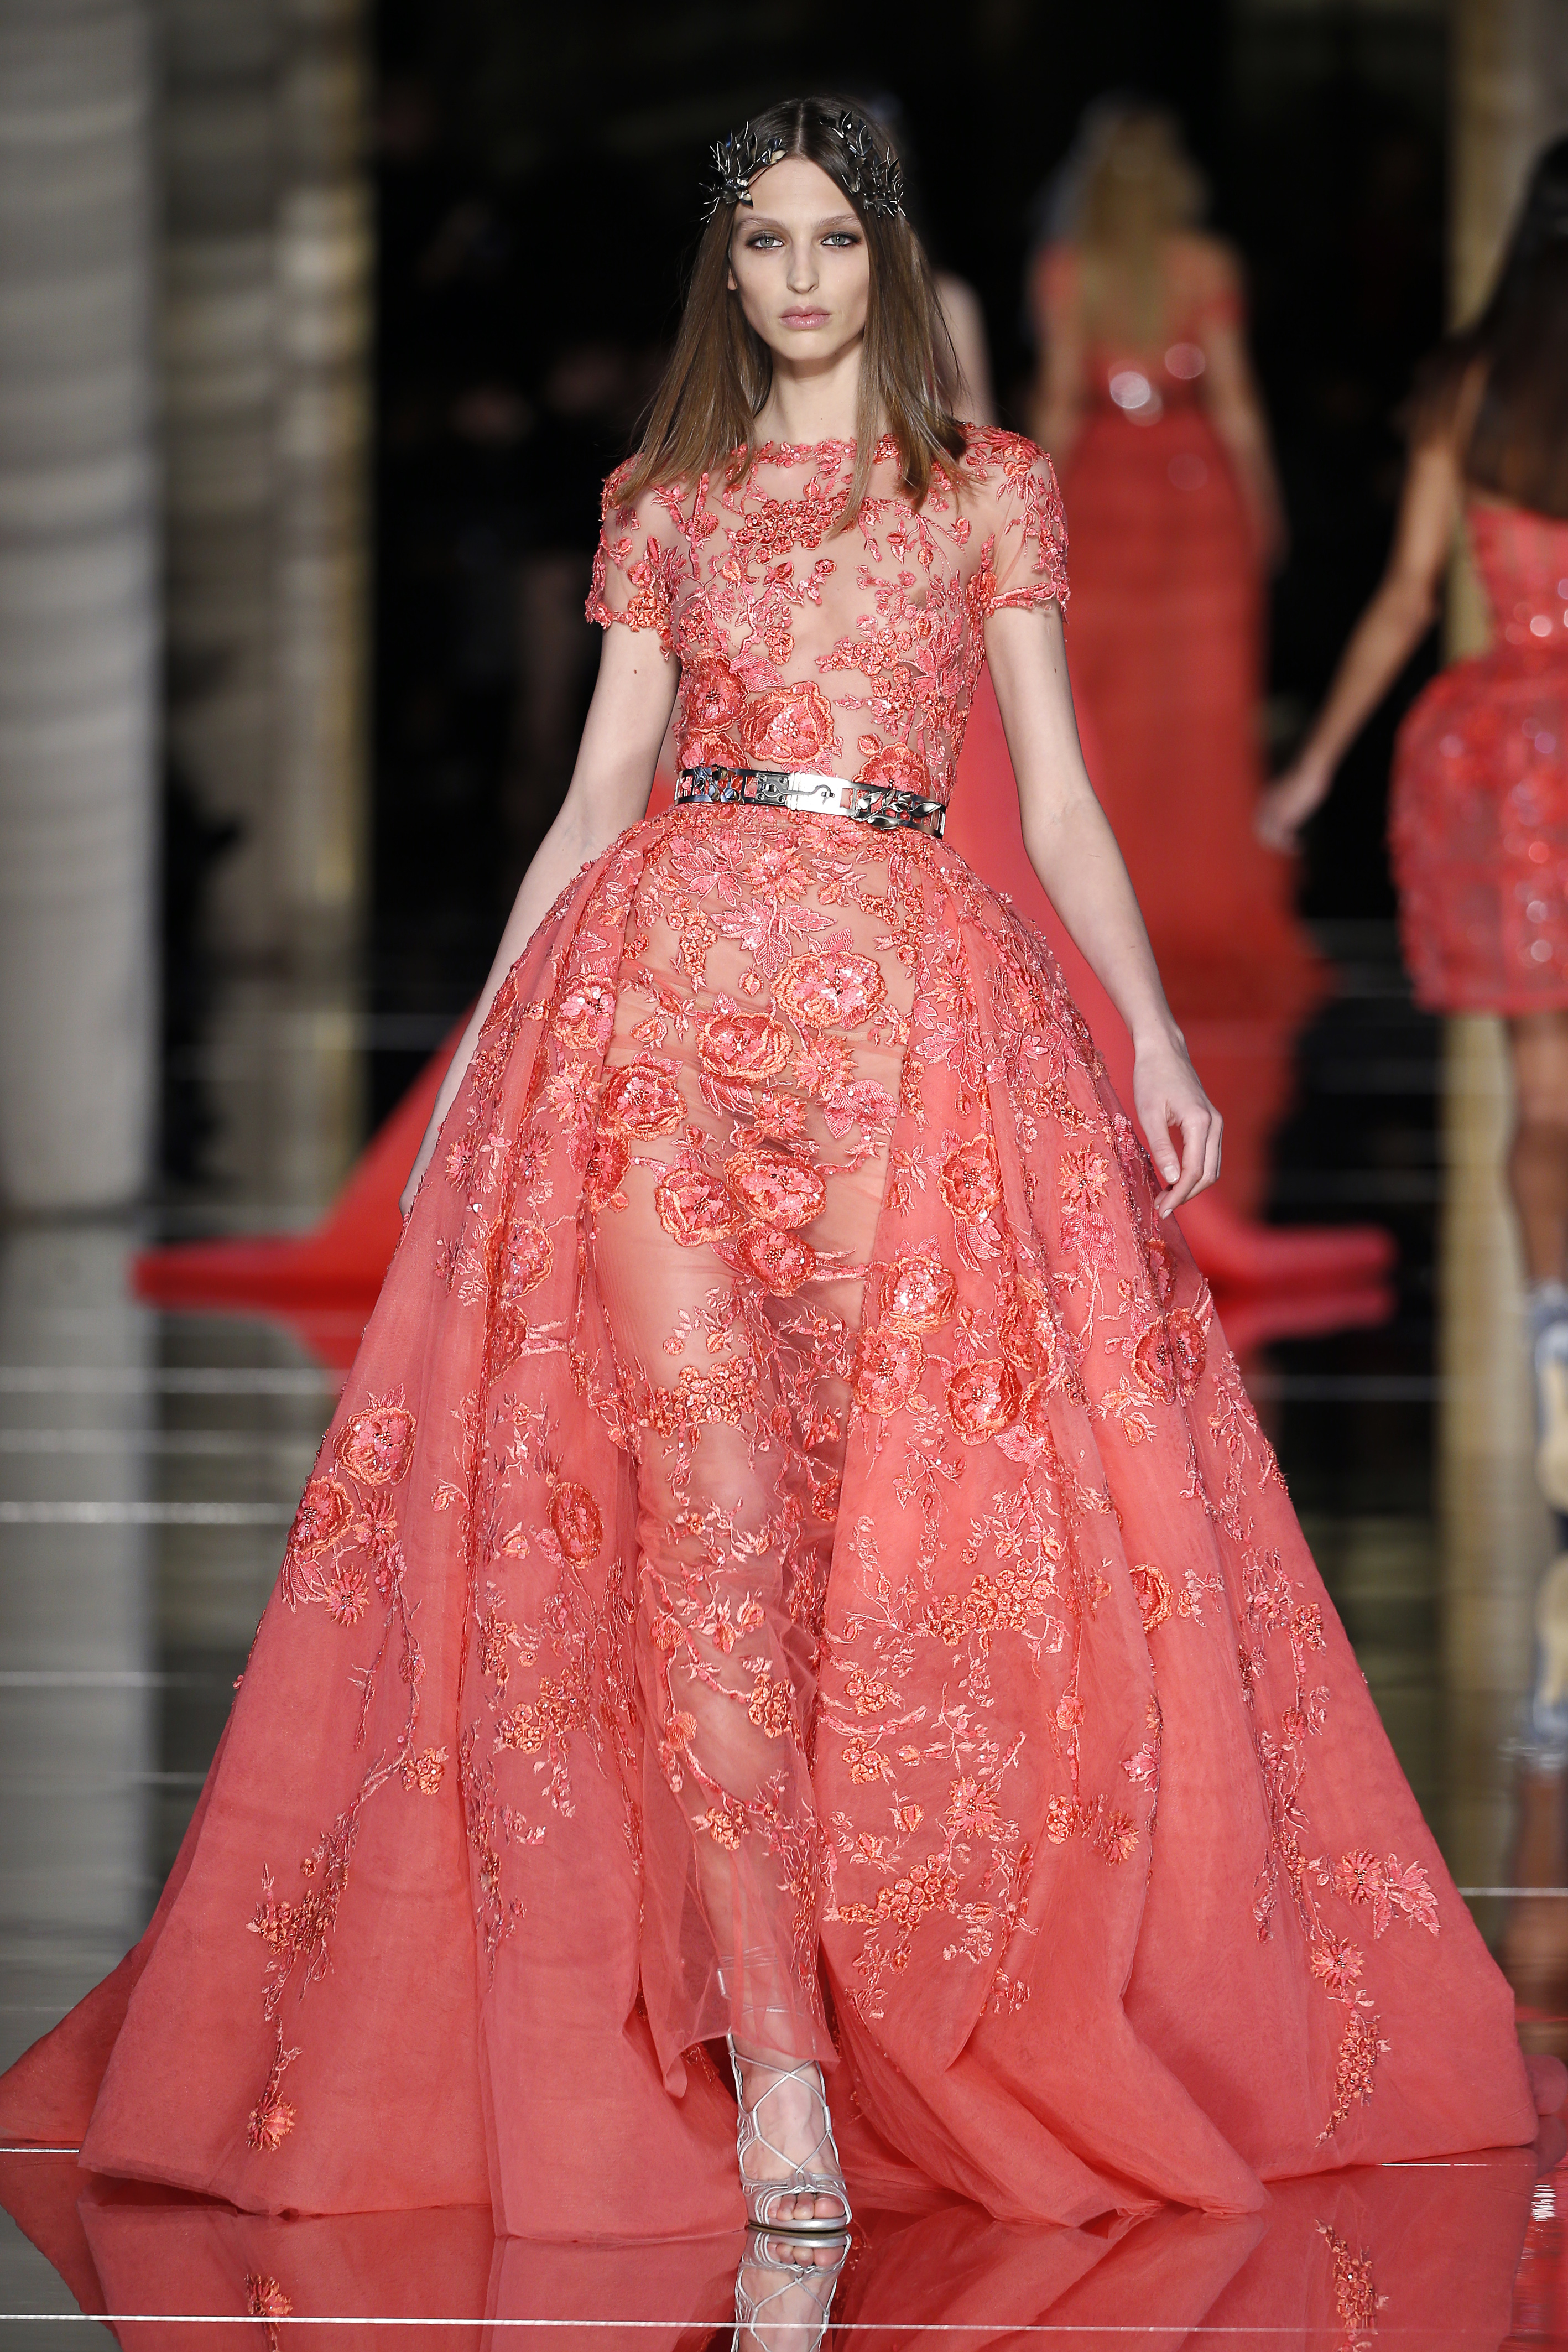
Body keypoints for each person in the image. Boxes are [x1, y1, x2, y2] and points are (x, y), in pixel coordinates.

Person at [0, 97, 1543, 2330]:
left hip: (913, 1032)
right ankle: (785, 2073)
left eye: (832, 240)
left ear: (885, 259)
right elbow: (592, 793)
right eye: (764, 243)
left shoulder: (984, 490)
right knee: (705, 1528)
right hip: (655, 1015)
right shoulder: (665, 501)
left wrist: (1155, 1030)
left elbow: (1065, 801)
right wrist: (477, 1066)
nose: (799, 279)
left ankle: (880, 1996)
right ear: (726, 270)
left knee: (887, 1548)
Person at [1258, 138, 1568, 1537]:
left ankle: (1555, 1342)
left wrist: (1313, 763)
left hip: (1503, 748)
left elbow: (1402, 595)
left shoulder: (1463, 386)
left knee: (1539, 1097)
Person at [1029, 100, 1317, 1221]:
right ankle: (1184, 905)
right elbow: (1235, 404)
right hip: (1194, 490)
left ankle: (1118, 915)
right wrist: (1264, 508)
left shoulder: (1071, 269)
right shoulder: (1203, 265)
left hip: (1105, 487)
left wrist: (1031, 512)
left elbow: (1061, 403)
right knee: (1197, 714)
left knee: (1105, 706)